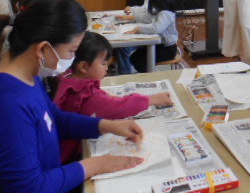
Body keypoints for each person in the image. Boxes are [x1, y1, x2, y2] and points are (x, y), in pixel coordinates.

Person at [0, 0, 144, 193]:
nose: (72, 59)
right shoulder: (5, 104)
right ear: (43, 49)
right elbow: (28, 188)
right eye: (71, 51)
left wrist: (106, 125)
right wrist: (95, 165)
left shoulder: (28, 76)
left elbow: (53, 119)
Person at [55, 31, 173, 163]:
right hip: (65, 159)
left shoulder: (66, 76)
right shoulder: (85, 94)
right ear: (83, 66)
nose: (107, 68)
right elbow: (119, 107)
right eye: (103, 63)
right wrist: (151, 99)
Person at [115, 0, 167, 74]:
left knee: (124, 46)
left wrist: (130, 17)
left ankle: (125, 77)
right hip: (154, 30)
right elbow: (146, 10)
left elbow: (150, 17)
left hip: (159, 37)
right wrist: (132, 11)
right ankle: (125, 73)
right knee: (123, 42)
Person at [125, 0, 179, 73]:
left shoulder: (165, 13)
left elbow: (157, 28)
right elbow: (147, 18)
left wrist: (139, 29)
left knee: (139, 61)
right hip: (162, 46)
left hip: (167, 49)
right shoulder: (161, 11)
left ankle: (150, 77)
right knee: (134, 57)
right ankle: (148, 74)